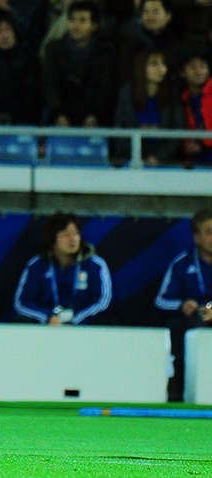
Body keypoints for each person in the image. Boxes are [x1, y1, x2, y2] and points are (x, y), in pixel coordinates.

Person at [13, 212, 112, 325]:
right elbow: (22, 303)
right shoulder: (37, 265)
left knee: (108, 322)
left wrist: (75, 321)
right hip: (47, 327)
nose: (73, 239)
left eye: (76, 233)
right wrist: (47, 318)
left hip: (84, 326)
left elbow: (103, 303)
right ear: (52, 239)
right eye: (65, 234)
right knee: (20, 322)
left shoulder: (94, 265)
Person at [154, 209, 212, 402]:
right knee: (178, 327)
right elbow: (161, 300)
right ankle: (177, 391)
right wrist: (182, 305)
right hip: (192, 319)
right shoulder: (181, 263)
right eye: (209, 232)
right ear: (196, 238)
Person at [41, 0, 115, 127]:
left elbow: (105, 88)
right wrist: (58, 114)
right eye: (73, 20)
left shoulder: (105, 53)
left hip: (93, 118)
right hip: (60, 116)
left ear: (94, 25)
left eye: (82, 21)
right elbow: (49, 85)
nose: (76, 25)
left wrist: (94, 114)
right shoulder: (54, 50)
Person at [113, 49, 185, 166]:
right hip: (130, 156)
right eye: (154, 64)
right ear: (141, 67)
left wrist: (159, 157)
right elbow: (119, 128)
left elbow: (178, 133)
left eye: (163, 64)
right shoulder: (127, 93)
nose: (162, 69)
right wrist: (137, 157)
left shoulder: (173, 94)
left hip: (164, 158)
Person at [178, 50, 212, 166]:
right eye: (192, 67)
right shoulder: (182, 98)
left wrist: (202, 145)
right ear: (182, 72)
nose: (198, 71)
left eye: (202, 66)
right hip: (193, 162)